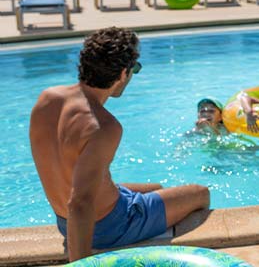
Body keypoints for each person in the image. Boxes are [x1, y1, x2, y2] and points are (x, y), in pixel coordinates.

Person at [29, 27, 210, 262]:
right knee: (199, 193)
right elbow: (80, 202)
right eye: (135, 68)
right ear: (123, 73)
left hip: (64, 220)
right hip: (108, 227)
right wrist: (82, 265)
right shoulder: (103, 126)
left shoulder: (48, 98)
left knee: (157, 186)